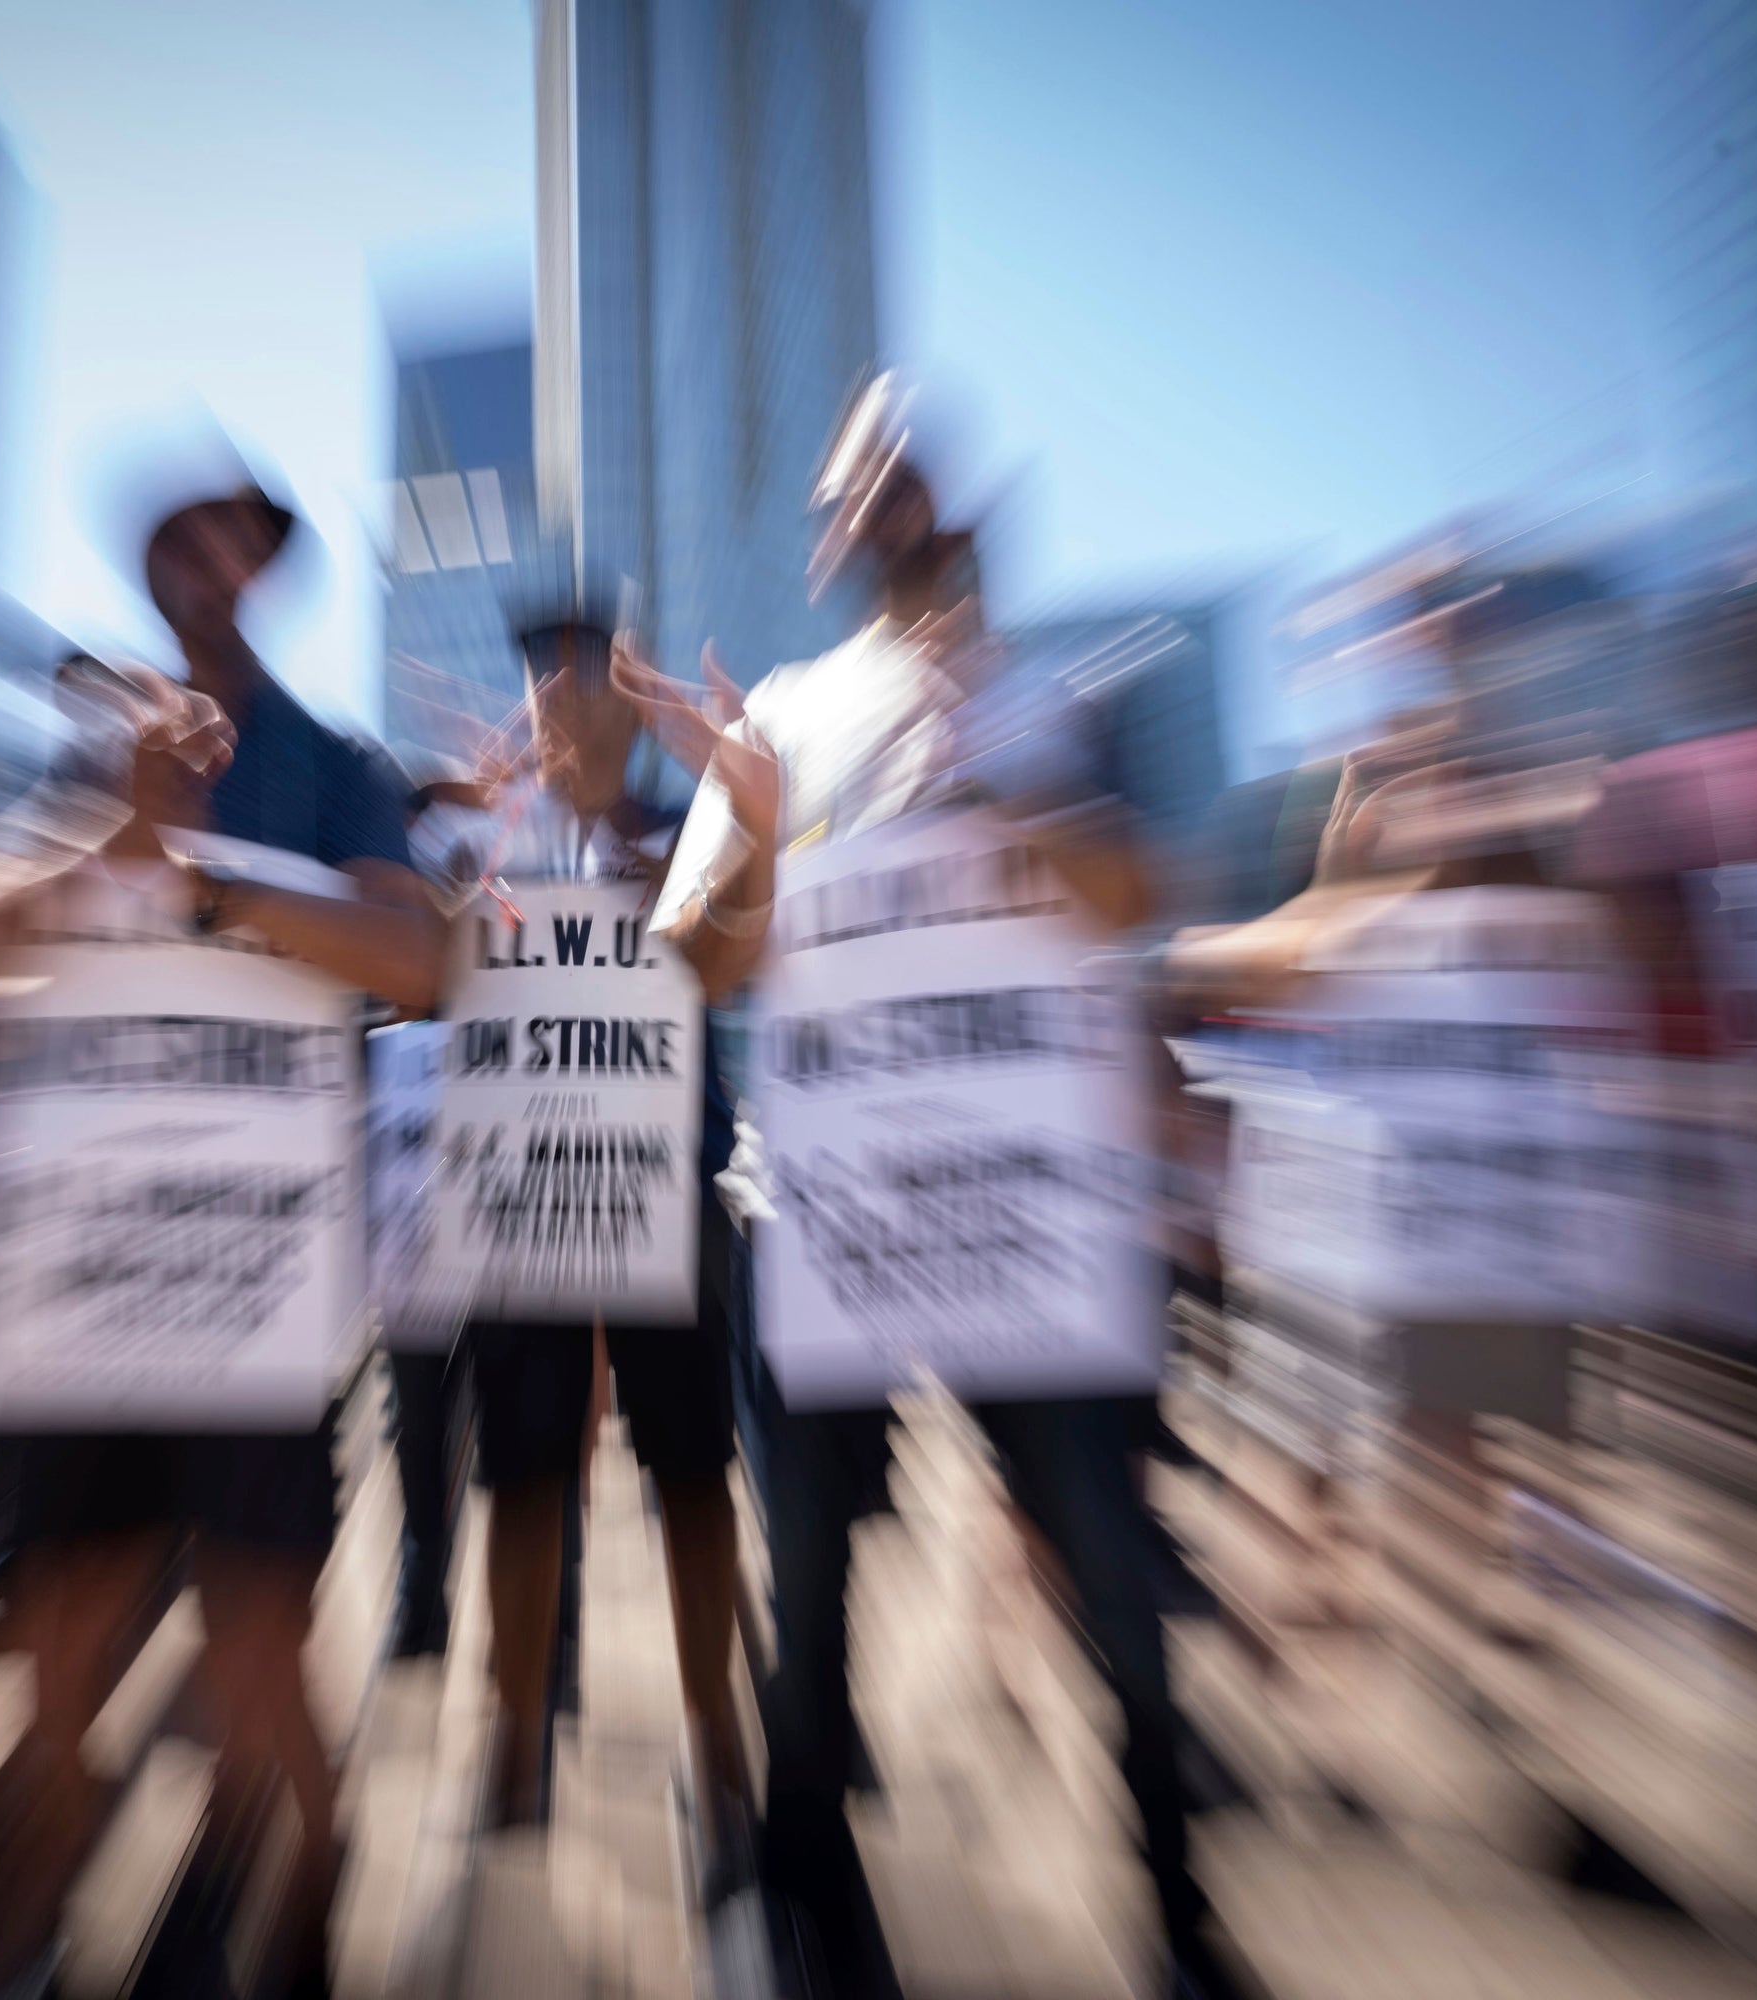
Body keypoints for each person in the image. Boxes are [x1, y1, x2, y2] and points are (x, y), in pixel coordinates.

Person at [614, 376, 1255, 2000]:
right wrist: (756, 828)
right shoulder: (778, 714)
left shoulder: (1047, 701)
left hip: (1029, 1210)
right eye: (855, 484)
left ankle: (1178, 1913)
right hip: (831, 1206)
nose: (882, 500)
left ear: (954, 506)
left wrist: (996, 783)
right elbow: (694, 962)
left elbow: (1134, 893)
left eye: (906, 473)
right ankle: (806, 1894)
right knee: (815, 1576)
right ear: (834, 532)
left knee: (1110, 1564)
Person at [0, 458, 442, 2000]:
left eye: (222, 534)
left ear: (265, 567)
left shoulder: (334, 760)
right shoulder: (85, 764)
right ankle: (32, 1926)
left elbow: (417, 958)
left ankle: (316, 1869)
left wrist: (196, 866)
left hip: (250, 1281)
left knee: (255, 1650)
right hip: (84, 1283)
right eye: (166, 534)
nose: (192, 557)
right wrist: (121, 830)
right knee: (61, 1639)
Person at [439, 605, 757, 1875]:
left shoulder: (689, 834)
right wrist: (474, 835)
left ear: (634, 703)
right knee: (521, 1476)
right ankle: (515, 1730)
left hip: (663, 1179)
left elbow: (730, 958)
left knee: (689, 1473)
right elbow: (429, 963)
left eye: (586, 673)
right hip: (525, 1189)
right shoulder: (486, 837)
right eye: (541, 674)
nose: (560, 695)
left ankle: (713, 1731)